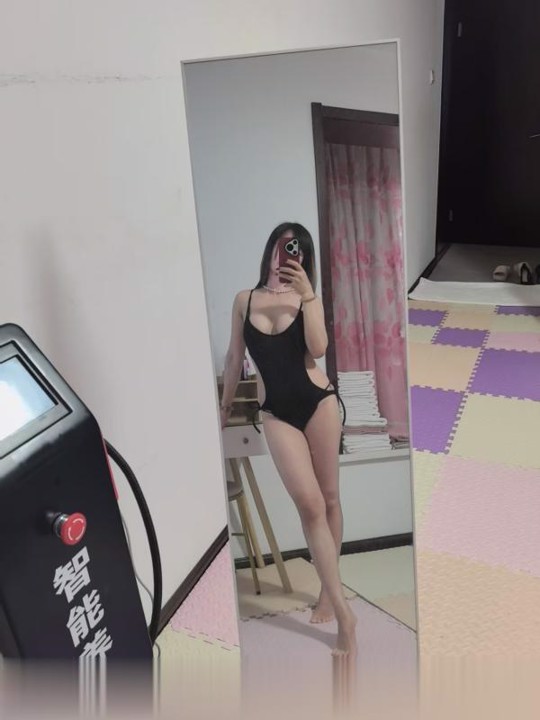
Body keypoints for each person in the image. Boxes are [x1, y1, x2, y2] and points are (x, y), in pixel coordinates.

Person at [220, 221, 357, 656]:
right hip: (276, 411)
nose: (286, 254)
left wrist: (309, 295)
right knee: (310, 504)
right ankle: (345, 614)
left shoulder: (305, 296)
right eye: (281, 246)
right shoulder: (244, 300)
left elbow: (318, 349)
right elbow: (234, 358)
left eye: (295, 248)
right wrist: (223, 409)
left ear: (304, 256)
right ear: (270, 250)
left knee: (330, 499)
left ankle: (328, 593)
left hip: (319, 402)